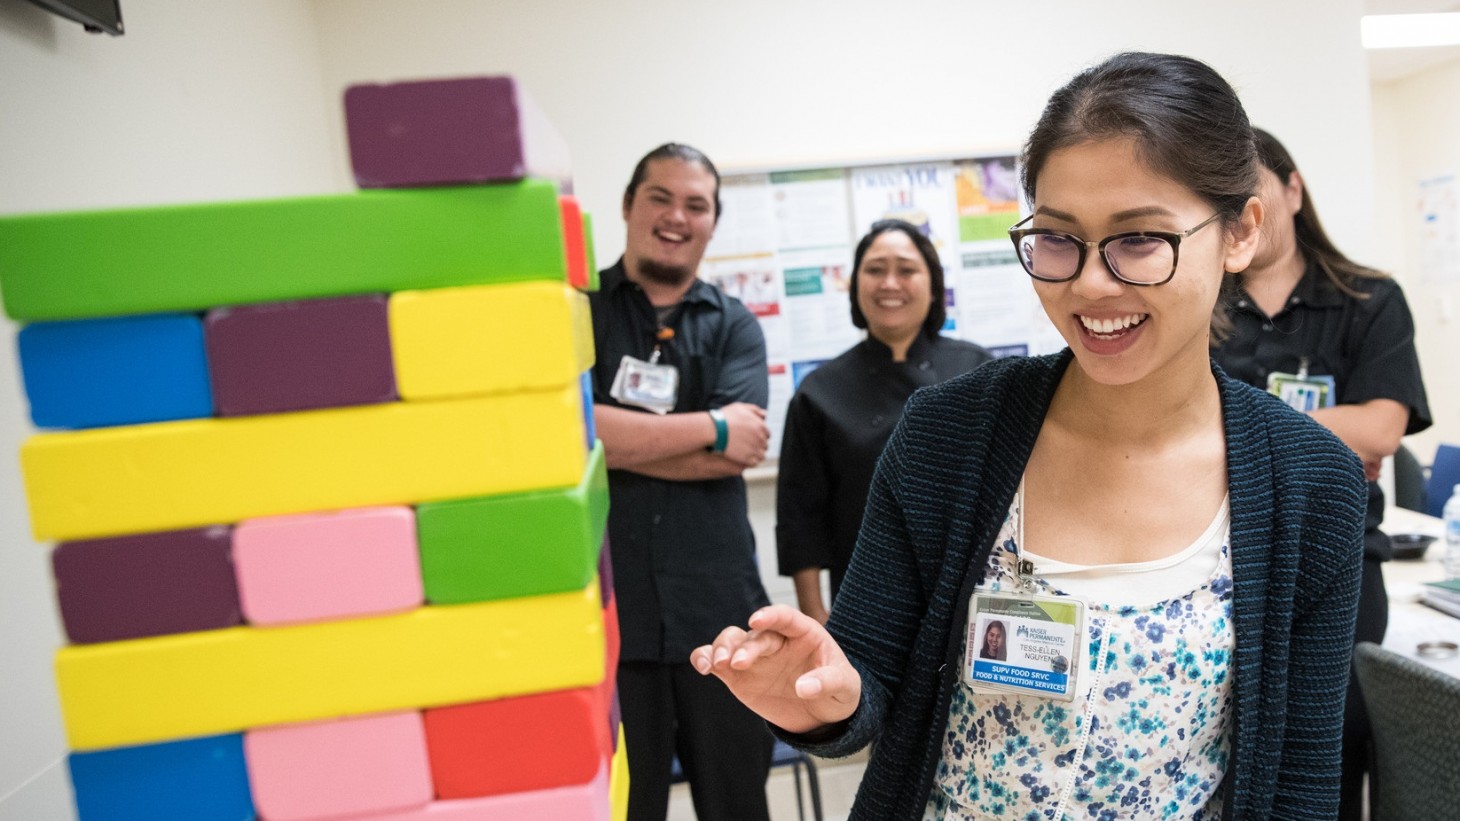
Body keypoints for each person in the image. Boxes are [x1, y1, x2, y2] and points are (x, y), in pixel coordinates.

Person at [691, 52, 1369, 820]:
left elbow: (1303, 784)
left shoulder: (1312, 482)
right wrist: (819, 701)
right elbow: (867, 684)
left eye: (1138, 238)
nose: (1089, 284)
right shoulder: (949, 435)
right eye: (1056, 238)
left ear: (1240, 231)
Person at [1213, 127, 1432, 820]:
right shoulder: (1204, 305)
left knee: (1333, 748)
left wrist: (1242, 427)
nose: (1243, 212)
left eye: (1255, 191)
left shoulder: (1368, 299)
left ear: (1293, 189)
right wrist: (1329, 429)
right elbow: (1175, 431)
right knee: (1233, 749)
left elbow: (1382, 431)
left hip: (1340, 558)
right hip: (1224, 558)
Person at [588, 143, 774, 821]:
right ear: (628, 206)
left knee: (736, 809)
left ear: (712, 223)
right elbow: (565, 433)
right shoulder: (578, 312)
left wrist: (606, 440)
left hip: (720, 625)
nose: (676, 215)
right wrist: (710, 427)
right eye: (660, 197)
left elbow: (742, 447)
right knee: (622, 810)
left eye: (695, 204)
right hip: (610, 624)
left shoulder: (733, 325)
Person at [776, 219, 992, 622]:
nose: (889, 283)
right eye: (875, 270)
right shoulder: (820, 391)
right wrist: (814, 614)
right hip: (864, 602)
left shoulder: (979, 371)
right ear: (857, 286)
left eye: (906, 269)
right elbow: (800, 514)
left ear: (932, 286)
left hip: (974, 597)